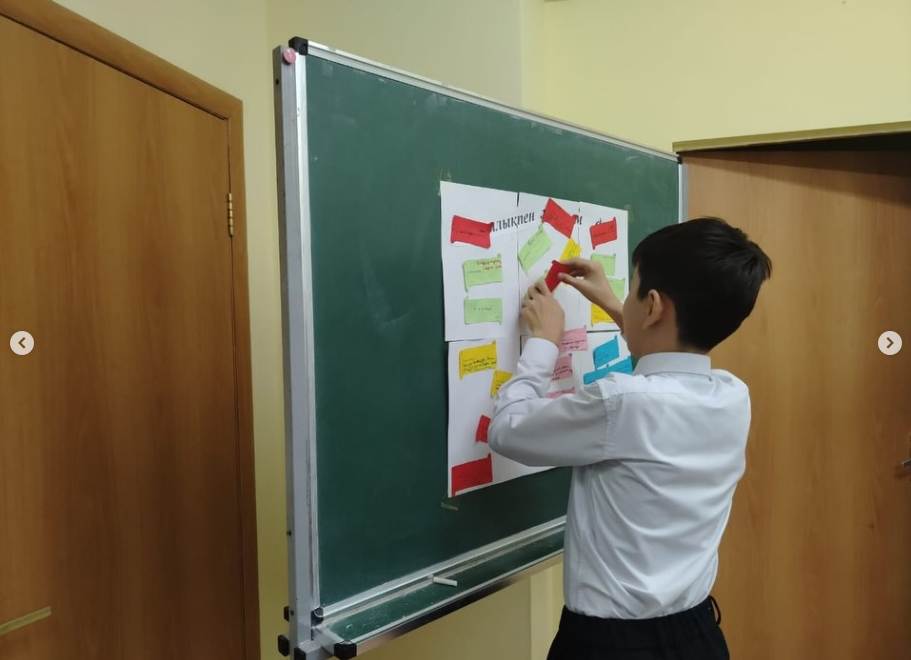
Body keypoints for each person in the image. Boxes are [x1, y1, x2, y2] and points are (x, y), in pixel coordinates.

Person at [488, 217, 772, 660]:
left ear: (654, 307)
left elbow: (507, 429)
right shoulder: (732, 395)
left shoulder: (620, 403)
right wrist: (612, 303)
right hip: (698, 637)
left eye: (633, 289)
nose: (627, 299)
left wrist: (542, 342)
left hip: (611, 646)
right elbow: (664, 360)